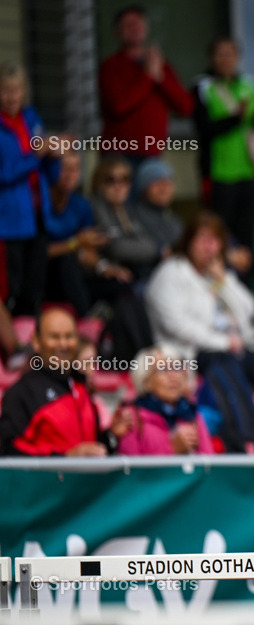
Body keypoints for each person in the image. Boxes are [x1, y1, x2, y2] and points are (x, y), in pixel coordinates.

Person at [146, 210, 254, 451]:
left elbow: (250, 310)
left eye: (215, 239)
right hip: (189, 353)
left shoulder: (216, 275)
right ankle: (248, 437)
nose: (209, 246)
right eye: (202, 238)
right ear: (188, 241)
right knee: (224, 365)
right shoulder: (170, 274)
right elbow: (176, 324)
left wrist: (224, 281)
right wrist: (223, 342)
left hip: (233, 348)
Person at [0, 306, 129, 456]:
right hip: (45, 480)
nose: (63, 344)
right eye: (54, 337)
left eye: (69, 336)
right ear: (36, 341)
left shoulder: (80, 387)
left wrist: (110, 435)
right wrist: (64, 458)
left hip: (85, 479)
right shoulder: (21, 393)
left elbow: (87, 449)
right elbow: (8, 453)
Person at [193, 36, 254, 250]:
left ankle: (242, 281)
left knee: (245, 234)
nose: (225, 59)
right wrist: (236, 117)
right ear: (211, 57)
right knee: (217, 232)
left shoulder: (249, 85)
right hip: (218, 173)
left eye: (230, 54)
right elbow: (204, 128)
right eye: (220, 54)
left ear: (238, 57)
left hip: (247, 171)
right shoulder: (203, 87)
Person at [0, 61, 61, 316]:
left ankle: (30, 344)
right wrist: (36, 156)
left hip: (39, 214)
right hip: (10, 220)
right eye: (5, 90)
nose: (12, 96)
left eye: (17, 89)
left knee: (35, 287)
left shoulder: (31, 118)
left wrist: (54, 156)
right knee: (13, 289)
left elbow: (45, 166)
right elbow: (4, 173)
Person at [98, 5, 193, 169]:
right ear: (117, 31)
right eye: (128, 24)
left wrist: (160, 78)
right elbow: (118, 106)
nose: (134, 28)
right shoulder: (110, 66)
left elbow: (185, 107)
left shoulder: (161, 66)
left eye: (139, 23)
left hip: (152, 155)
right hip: (118, 154)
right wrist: (148, 76)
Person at [45, 150, 113, 316]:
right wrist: (75, 243)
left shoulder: (81, 205)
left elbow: (85, 250)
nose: (70, 175)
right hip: (44, 272)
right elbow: (39, 253)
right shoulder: (39, 202)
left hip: (74, 271)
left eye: (75, 169)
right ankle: (86, 317)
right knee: (65, 261)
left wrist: (103, 266)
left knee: (119, 282)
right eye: (64, 168)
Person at [118, 346, 214, 456]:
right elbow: (129, 470)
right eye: (162, 370)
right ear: (146, 381)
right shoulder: (132, 417)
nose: (173, 376)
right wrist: (172, 450)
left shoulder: (192, 415)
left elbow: (208, 464)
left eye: (177, 368)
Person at [89, 156, 157, 284]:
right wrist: (154, 250)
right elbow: (116, 248)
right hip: (102, 278)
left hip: (129, 274)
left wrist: (153, 249)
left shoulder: (126, 209)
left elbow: (148, 243)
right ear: (99, 183)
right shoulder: (94, 207)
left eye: (124, 180)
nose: (118, 186)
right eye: (111, 180)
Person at [133, 157, 183, 256]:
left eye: (168, 183)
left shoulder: (172, 217)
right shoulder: (133, 216)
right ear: (144, 188)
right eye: (158, 183)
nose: (164, 189)